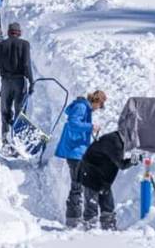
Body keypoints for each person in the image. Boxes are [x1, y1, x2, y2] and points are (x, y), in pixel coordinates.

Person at [55, 91, 107, 229]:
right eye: (100, 106)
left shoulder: (85, 108)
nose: (98, 109)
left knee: (79, 184)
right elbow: (72, 123)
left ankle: (76, 217)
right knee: (78, 185)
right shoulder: (82, 107)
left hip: (77, 151)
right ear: (96, 101)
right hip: (74, 152)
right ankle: (75, 219)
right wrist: (90, 127)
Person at [77, 129, 137, 230]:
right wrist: (133, 160)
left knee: (108, 205)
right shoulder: (114, 143)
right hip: (90, 175)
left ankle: (108, 228)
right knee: (92, 206)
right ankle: (89, 232)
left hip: (102, 178)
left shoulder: (116, 139)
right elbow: (121, 164)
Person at [0, 22, 34, 150]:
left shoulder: (0, 45)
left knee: (5, 111)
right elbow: (27, 65)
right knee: (20, 111)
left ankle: (5, 140)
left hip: (5, 82)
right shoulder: (25, 44)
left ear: (9, 32)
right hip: (20, 81)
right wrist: (31, 82)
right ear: (19, 32)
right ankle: (18, 140)